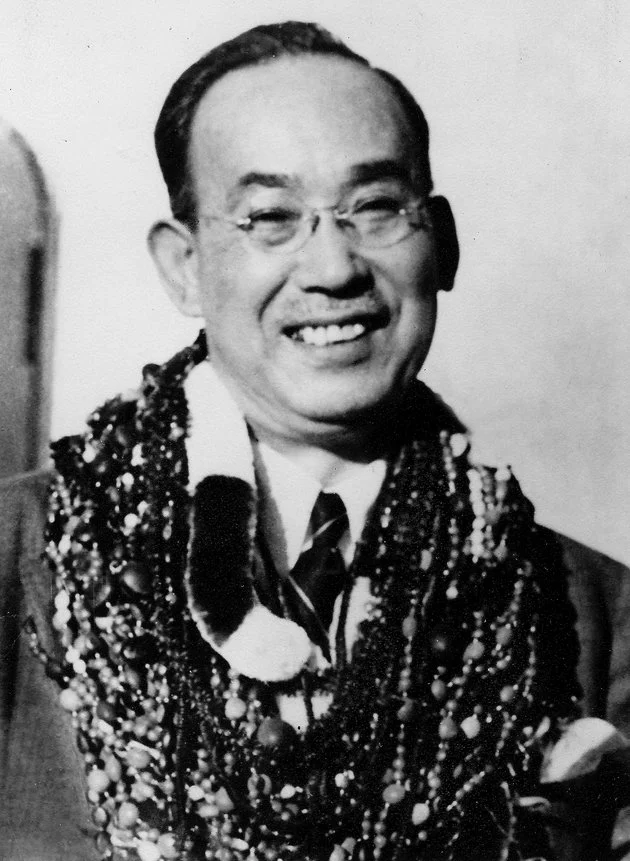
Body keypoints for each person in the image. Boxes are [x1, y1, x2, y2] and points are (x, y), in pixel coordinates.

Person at [1, 20, 630, 861]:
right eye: (270, 217)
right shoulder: (18, 562)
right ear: (184, 265)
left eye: (374, 206)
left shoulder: (595, 615)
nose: (333, 266)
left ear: (439, 240)